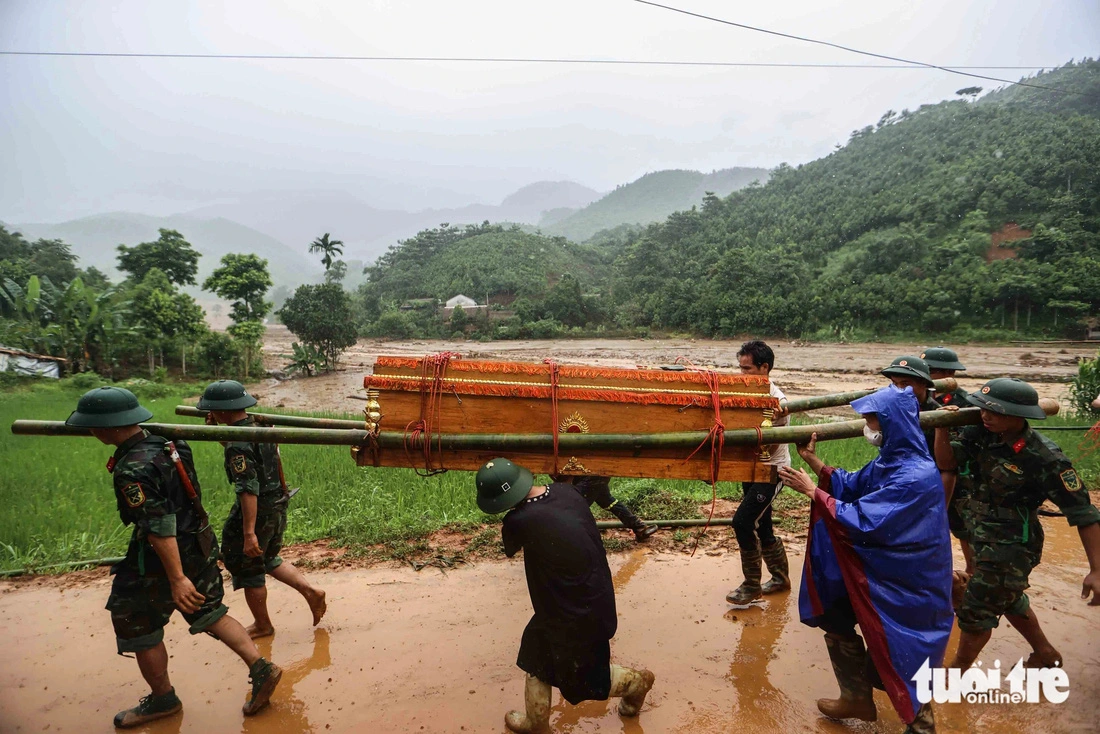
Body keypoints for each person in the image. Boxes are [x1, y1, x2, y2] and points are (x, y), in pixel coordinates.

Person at [65, 387, 281, 728]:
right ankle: (261, 666)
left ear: (104, 427)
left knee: (135, 617)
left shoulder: (132, 469)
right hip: (198, 539)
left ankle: (163, 699)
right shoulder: (170, 443)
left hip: (163, 554)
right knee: (208, 609)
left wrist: (177, 577)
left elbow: (158, 524)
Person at [779, 385, 952, 734]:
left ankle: (922, 724)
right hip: (880, 568)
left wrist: (813, 491)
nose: (867, 426)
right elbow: (853, 485)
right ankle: (855, 696)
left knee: (902, 645)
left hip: (906, 579)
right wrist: (816, 464)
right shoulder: (892, 460)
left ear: (893, 423)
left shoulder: (915, 476)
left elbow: (863, 519)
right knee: (835, 614)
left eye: (872, 419)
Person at [476, 458, 655, 733]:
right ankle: (536, 723)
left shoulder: (518, 520)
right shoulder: (566, 492)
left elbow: (511, 547)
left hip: (574, 610)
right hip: (590, 596)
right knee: (536, 652)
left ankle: (636, 684)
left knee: (585, 679)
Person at [933, 378, 1100, 671]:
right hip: (982, 536)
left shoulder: (1045, 458)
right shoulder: (982, 433)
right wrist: (941, 429)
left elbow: (1084, 513)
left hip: (1012, 548)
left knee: (975, 610)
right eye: (983, 408)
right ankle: (1046, 654)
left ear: (1018, 415)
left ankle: (954, 675)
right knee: (1008, 598)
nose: (985, 415)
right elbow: (947, 463)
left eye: (995, 412)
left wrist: (1097, 569)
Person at [199, 380, 327, 638]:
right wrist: (220, 432)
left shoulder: (238, 443)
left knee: (249, 567)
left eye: (212, 410)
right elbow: (249, 454)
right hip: (277, 504)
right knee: (267, 558)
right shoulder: (260, 426)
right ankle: (310, 591)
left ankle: (263, 625)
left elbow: (248, 488)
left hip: (257, 510)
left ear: (222, 411)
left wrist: (248, 532)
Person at [727, 340, 792, 606]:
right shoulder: (744, 394)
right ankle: (780, 579)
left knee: (742, 522)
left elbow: (770, 444)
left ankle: (752, 585)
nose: (742, 375)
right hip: (749, 468)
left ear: (764, 368)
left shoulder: (778, 401)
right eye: (740, 369)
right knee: (762, 524)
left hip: (771, 471)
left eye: (748, 369)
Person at [921, 347, 976, 576]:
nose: (925, 376)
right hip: (926, 473)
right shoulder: (921, 396)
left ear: (948, 373)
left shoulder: (964, 403)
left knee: (964, 530)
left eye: (930, 371)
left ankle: (972, 575)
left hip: (959, 478)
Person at [566, 475, 657, 541]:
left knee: (573, 507)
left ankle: (571, 539)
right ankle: (638, 527)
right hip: (598, 472)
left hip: (591, 473)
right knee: (607, 501)